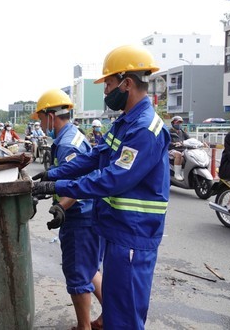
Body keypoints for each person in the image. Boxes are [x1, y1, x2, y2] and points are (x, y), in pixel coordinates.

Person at [33, 44, 170, 329]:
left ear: (127, 83)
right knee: (116, 311)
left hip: (134, 234)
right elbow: (93, 157)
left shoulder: (145, 129)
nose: (106, 91)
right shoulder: (124, 124)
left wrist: (58, 186)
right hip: (118, 231)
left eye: (108, 84)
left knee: (125, 320)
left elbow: (113, 179)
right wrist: (51, 174)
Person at [35, 88, 103, 330]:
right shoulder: (72, 136)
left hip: (80, 217)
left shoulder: (67, 144)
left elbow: (80, 182)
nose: (41, 125)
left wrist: (62, 207)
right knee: (89, 268)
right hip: (90, 214)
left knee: (77, 273)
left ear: (51, 116)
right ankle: (108, 318)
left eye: (41, 119)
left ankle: (84, 327)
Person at [168, 116, 190, 181]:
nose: (179, 124)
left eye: (181, 122)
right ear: (173, 123)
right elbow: (166, 142)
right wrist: (174, 144)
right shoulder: (169, 132)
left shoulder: (182, 132)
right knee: (178, 155)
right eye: (178, 122)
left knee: (187, 157)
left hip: (182, 150)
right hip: (171, 150)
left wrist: (200, 143)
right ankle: (177, 174)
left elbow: (190, 139)